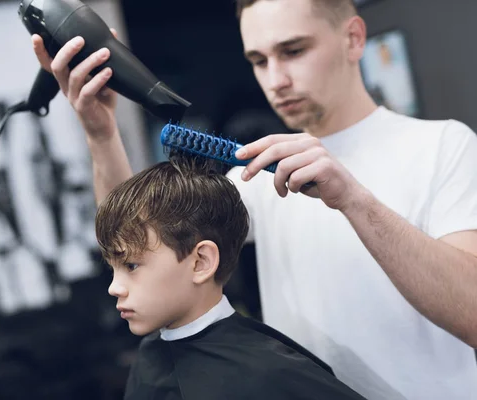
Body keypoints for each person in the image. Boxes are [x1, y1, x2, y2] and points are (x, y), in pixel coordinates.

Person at [31, 0, 477, 398]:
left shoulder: (443, 147)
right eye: (258, 60)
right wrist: (101, 133)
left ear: (354, 38)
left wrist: (354, 201)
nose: (275, 79)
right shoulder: (261, 175)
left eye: (294, 51)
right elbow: (139, 246)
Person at [95, 154, 365, 399]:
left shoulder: (270, 374)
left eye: (130, 266)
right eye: (112, 268)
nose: (114, 288)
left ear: (201, 262)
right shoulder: (148, 356)